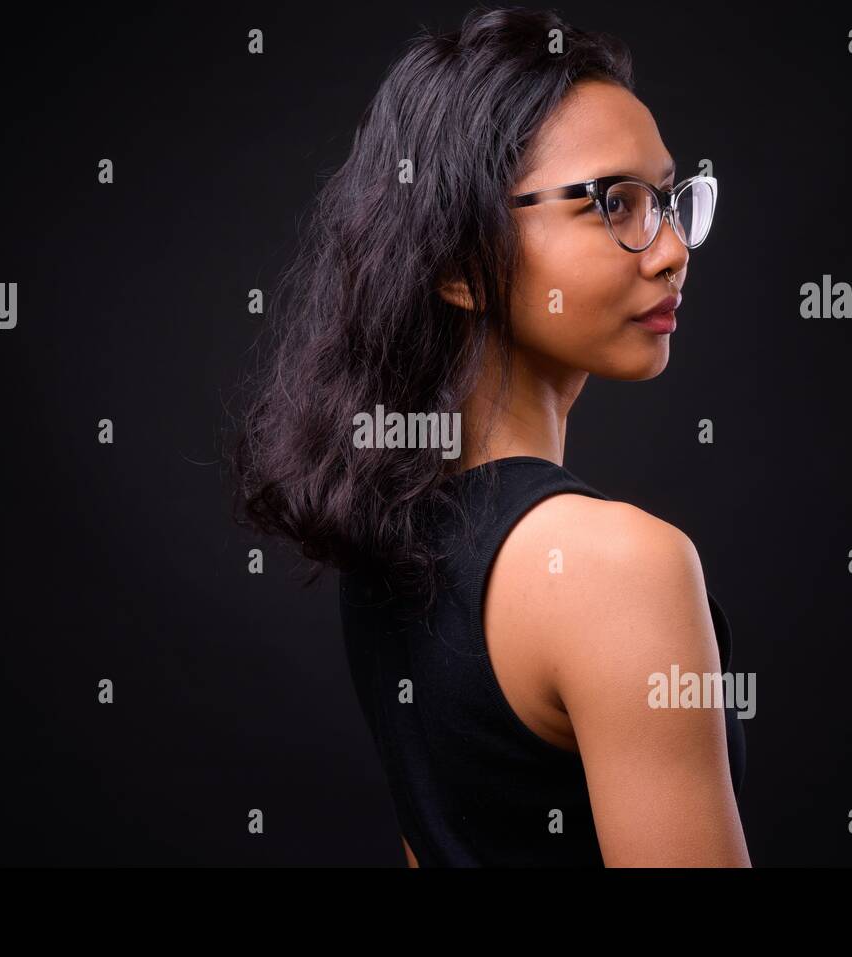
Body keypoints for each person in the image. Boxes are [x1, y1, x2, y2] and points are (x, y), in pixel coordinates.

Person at [229, 6, 749, 867]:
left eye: (669, 200)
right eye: (615, 203)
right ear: (460, 264)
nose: (670, 251)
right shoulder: (617, 566)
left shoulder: (389, 549)